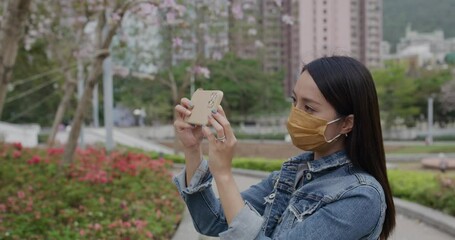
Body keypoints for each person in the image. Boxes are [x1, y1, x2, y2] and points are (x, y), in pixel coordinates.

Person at [173, 56, 396, 239]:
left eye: (309, 108)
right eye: (294, 101)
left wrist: (224, 175)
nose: (295, 114)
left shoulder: (360, 196)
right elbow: (213, 221)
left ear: (347, 123)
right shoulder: (291, 176)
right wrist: (193, 150)